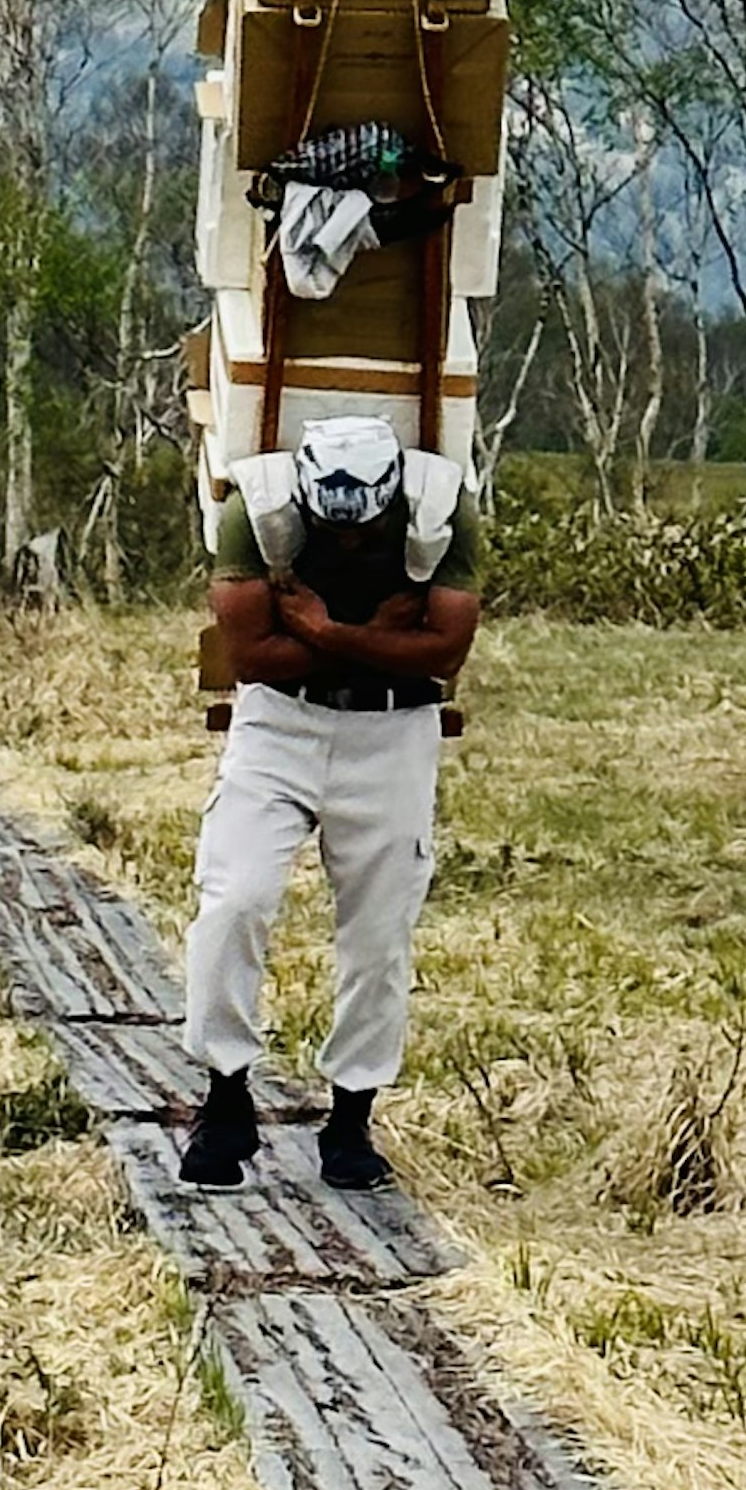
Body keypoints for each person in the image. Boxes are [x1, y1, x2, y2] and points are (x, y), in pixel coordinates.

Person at [177, 412, 477, 1190]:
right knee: (233, 896)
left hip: (391, 730)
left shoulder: (439, 508)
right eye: (330, 530)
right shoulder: (259, 508)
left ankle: (351, 1118)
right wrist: (370, 633)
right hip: (281, 720)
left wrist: (313, 625)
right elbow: (249, 653)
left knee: (380, 927)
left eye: (363, 530)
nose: (346, 544)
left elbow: (445, 649)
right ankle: (225, 1095)